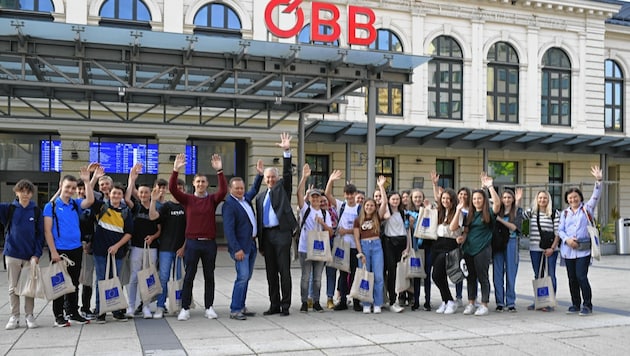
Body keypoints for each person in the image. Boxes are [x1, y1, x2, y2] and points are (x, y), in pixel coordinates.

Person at [169, 152, 227, 321]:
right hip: (192, 244)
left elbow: (223, 190)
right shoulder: (187, 199)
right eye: (198, 181)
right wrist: (175, 170)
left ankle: (209, 307)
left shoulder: (212, 200)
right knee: (189, 276)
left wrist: (220, 171)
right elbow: (172, 189)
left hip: (209, 244)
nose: (201, 184)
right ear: (193, 184)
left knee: (210, 276)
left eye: (203, 181)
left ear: (207, 184)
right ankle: (185, 308)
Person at [44, 167, 99, 327]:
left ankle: (73, 312)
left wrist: (88, 181)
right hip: (59, 251)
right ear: (61, 185)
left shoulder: (75, 204)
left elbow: (90, 201)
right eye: (67, 187)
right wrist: (53, 251)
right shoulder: (51, 206)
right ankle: (59, 315)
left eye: (73, 188)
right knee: (59, 284)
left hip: (76, 249)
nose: (70, 190)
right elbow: (47, 231)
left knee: (74, 283)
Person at [256, 133, 298, 316]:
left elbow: (288, 174)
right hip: (267, 237)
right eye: (268, 177)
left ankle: (285, 305)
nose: (270, 180)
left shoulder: (282, 189)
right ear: (264, 179)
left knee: (284, 271)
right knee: (271, 273)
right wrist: (260, 242)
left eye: (273, 177)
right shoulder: (259, 197)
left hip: (282, 234)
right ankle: (273, 304)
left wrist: (287, 152)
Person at [558, 166, 602, 316]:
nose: (573, 199)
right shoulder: (564, 213)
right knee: (572, 278)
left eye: (575, 197)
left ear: (580, 197)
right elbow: (560, 230)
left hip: (583, 249)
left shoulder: (587, 209)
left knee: (581, 276)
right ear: (567, 200)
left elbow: (596, 196)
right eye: (570, 198)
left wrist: (598, 181)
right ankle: (575, 303)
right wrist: (567, 240)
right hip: (568, 250)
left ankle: (587, 305)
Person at [222, 160, 264, 320]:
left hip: (251, 244)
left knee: (247, 277)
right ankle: (235, 309)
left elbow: (254, 190)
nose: (240, 190)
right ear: (230, 189)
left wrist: (260, 174)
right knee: (242, 277)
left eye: (241, 188)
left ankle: (242, 306)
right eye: (237, 188)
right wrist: (236, 249)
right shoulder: (229, 205)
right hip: (241, 248)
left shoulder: (245, 199)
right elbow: (229, 230)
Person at [455, 172, 501, 316]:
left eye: (479, 198)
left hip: (482, 249)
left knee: (483, 277)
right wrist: (462, 238)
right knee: (470, 277)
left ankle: (484, 304)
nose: (476, 201)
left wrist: (490, 187)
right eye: (474, 198)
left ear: (484, 200)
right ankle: (471, 303)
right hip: (468, 249)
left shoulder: (488, 213)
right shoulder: (469, 214)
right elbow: (465, 230)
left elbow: (498, 204)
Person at [2, 179, 44, 330]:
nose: (25, 194)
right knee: (13, 287)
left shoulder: (36, 211)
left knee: (29, 288)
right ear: (16, 192)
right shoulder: (9, 209)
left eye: (28, 192)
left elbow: (40, 235)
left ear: (32, 194)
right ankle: (14, 316)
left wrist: (37, 254)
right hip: (12, 253)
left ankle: (29, 315)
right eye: (22, 191)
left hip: (30, 256)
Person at [92, 184, 134, 324]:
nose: (116, 196)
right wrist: (90, 180)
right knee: (101, 281)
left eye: (119, 194)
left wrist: (117, 246)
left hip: (118, 252)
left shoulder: (125, 211)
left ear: (122, 196)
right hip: (100, 251)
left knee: (116, 281)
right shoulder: (101, 207)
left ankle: (117, 310)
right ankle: (100, 311)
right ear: (109, 194)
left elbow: (129, 233)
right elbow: (89, 198)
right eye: (114, 193)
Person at [125, 163, 161, 319]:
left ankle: (146, 306)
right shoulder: (136, 207)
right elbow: (127, 197)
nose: (144, 195)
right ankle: (131, 306)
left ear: (150, 193)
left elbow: (160, 229)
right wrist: (131, 179)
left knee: (148, 278)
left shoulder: (156, 208)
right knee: (134, 277)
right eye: (141, 192)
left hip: (151, 248)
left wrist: (153, 237)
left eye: (146, 192)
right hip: (136, 247)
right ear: (138, 194)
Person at [296, 164, 333, 313]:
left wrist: (322, 223)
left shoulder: (325, 214)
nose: (316, 199)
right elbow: (298, 194)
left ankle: (316, 301)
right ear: (310, 199)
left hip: (320, 247)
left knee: (317, 278)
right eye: (313, 197)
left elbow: (330, 232)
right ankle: (304, 302)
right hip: (305, 247)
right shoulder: (305, 209)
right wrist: (304, 178)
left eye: (318, 197)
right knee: (305, 277)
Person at [149, 179, 187, 319]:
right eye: (176, 188)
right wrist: (153, 201)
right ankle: (160, 306)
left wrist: (184, 247)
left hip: (181, 250)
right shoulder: (166, 206)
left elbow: (190, 230)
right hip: (166, 248)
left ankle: (178, 305)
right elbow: (153, 216)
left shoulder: (187, 206)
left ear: (184, 190)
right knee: (163, 278)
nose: (178, 190)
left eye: (181, 188)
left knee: (179, 278)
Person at [324, 170, 361, 312]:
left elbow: (361, 228)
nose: (350, 197)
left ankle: (356, 299)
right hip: (342, 245)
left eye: (352, 195)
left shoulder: (359, 208)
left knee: (355, 273)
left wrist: (348, 231)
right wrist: (331, 180)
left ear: (355, 194)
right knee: (343, 274)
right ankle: (343, 300)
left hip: (354, 245)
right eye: (347, 195)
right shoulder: (342, 205)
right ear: (345, 195)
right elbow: (328, 195)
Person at [354, 176, 388, 314]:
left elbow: (384, 202)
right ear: (364, 207)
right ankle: (366, 303)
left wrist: (381, 186)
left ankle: (378, 303)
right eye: (367, 205)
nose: (369, 207)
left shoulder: (377, 217)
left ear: (375, 207)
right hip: (364, 247)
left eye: (371, 205)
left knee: (378, 276)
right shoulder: (358, 220)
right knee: (366, 275)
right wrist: (360, 252)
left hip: (376, 246)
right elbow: (356, 238)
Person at [523, 190, 560, 312]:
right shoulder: (532, 212)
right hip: (535, 248)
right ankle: (539, 301)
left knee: (550, 275)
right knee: (538, 276)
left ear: (548, 199)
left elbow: (557, 233)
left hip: (550, 249)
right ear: (536, 199)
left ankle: (549, 302)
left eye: (544, 198)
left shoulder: (554, 213)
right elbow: (518, 216)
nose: (542, 200)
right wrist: (517, 199)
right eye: (540, 198)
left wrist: (553, 248)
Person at [427, 188, 460, 315]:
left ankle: (450, 300)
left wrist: (457, 210)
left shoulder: (457, 212)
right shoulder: (439, 212)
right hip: (437, 243)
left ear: (453, 201)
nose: (445, 201)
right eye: (444, 198)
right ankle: (446, 301)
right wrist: (434, 185)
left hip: (449, 244)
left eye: (448, 199)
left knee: (436, 274)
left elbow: (453, 228)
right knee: (439, 276)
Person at [492, 188, 523, 312]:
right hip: (498, 244)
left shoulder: (517, 211)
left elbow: (514, 227)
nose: (506, 200)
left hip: (511, 243)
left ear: (513, 199)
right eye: (504, 197)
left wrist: (499, 220)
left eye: (509, 197)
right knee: (497, 274)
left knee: (511, 273)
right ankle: (500, 302)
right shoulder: (497, 210)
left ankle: (510, 302)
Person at [381, 189, 409, 313]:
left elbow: (407, 230)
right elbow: (385, 214)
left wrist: (407, 247)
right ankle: (392, 300)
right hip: (389, 243)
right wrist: (381, 187)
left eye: (397, 199)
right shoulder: (387, 211)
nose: (395, 201)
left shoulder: (403, 213)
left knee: (399, 273)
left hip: (401, 242)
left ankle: (398, 297)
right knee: (391, 271)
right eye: (393, 199)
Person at [320, 195, 338, 309]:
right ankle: (312, 297)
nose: (322, 203)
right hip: (319, 243)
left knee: (331, 273)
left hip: (333, 243)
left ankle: (330, 298)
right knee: (315, 273)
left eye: (324, 201)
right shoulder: (314, 212)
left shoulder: (334, 212)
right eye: (320, 201)